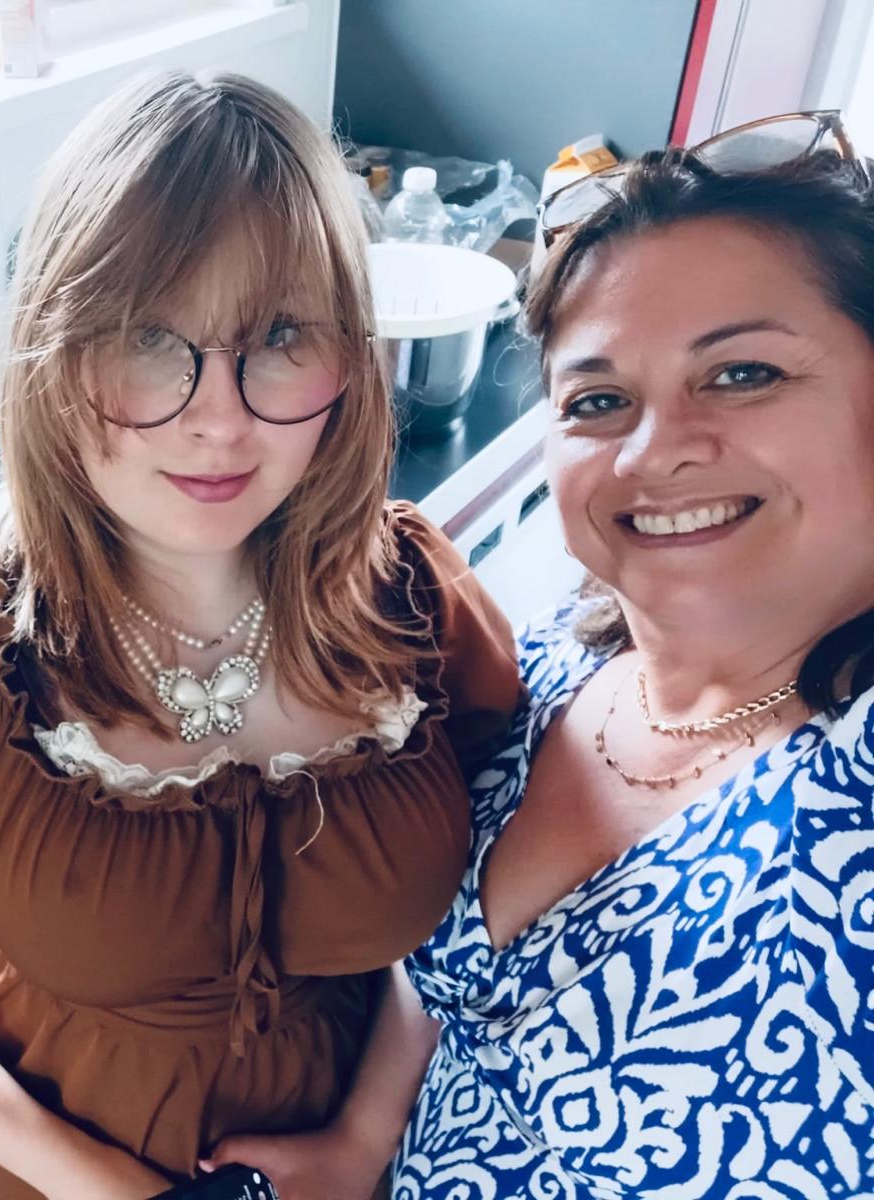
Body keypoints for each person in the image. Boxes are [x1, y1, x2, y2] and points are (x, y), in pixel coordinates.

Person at [0, 70, 520, 1199]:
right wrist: (92, 1183)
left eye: (279, 337)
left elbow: (471, 922)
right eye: (146, 339)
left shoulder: (415, 602)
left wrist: (363, 1137)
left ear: (349, 359)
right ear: (53, 351)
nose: (217, 418)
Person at [211, 117, 874, 1199]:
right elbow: (454, 982)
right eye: (598, 400)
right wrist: (364, 1139)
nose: (656, 449)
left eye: (743, 372)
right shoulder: (538, 678)